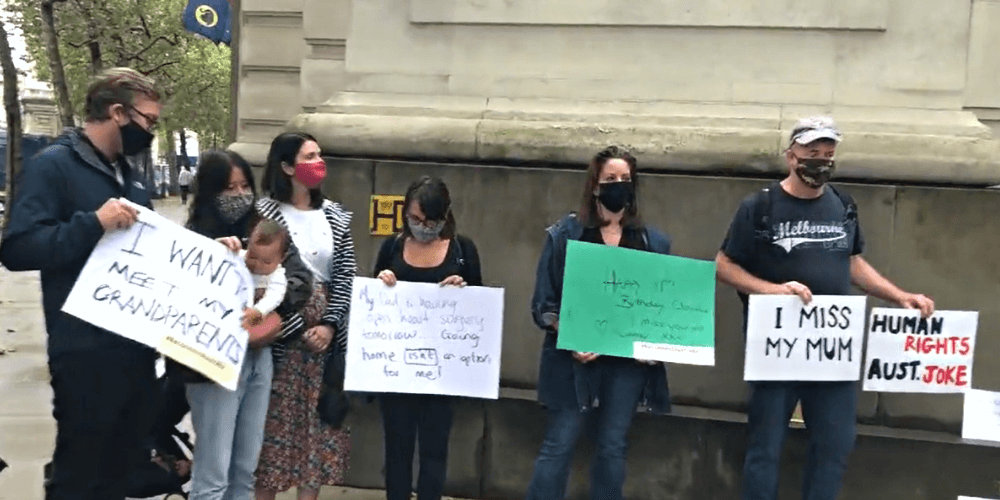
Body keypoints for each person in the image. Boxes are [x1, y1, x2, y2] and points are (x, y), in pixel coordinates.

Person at [715, 116, 936, 500]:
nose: (821, 161)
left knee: (834, 446)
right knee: (765, 447)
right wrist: (771, 291)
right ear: (791, 156)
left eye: (828, 154)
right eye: (812, 153)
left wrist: (899, 296)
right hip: (777, 352)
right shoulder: (759, 206)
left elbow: (852, 262)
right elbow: (723, 265)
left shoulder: (842, 205)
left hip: (832, 353)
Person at [0, 68, 162, 500]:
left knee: (120, 475)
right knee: (79, 476)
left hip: (134, 352)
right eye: (149, 121)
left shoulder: (131, 175)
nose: (151, 131)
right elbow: (18, 248)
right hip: (84, 354)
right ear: (117, 112)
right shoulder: (53, 167)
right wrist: (92, 223)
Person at [525, 145, 672, 500]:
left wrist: (654, 344)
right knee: (559, 443)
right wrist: (572, 336)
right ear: (595, 185)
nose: (618, 185)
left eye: (625, 179)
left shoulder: (652, 242)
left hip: (627, 365)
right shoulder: (565, 235)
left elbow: (662, 308)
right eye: (610, 179)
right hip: (574, 362)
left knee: (613, 446)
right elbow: (543, 304)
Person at [178, 149, 312, 500]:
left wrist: (270, 302)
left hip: (259, 357)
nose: (239, 196)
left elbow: (299, 279)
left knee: (246, 471)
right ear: (209, 194)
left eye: (244, 187)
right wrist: (214, 259)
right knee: (213, 475)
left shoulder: (265, 228)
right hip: (215, 362)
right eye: (228, 189)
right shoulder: (193, 239)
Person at [255, 132, 357, 500]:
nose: (318, 162)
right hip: (280, 344)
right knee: (272, 436)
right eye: (308, 156)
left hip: (324, 351)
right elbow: (261, 277)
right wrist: (297, 329)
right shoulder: (265, 215)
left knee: (316, 435)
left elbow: (346, 274)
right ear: (286, 166)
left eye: (319, 154)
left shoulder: (335, 215)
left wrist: (329, 325)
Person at [373, 176, 483, 500]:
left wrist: (463, 289)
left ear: (445, 216)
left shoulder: (463, 250)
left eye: (430, 221)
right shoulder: (392, 247)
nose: (421, 227)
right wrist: (381, 281)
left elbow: (479, 308)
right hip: (397, 372)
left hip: (441, 374)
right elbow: (371, 301)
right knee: (397, 451)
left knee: (435, 453)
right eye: (415, 219)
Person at [241, 219, 290, 330]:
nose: (257, 265)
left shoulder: (277, 277)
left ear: (281, 259)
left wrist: (258, 311)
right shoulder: (239, 258)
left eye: (266, 262)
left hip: (253, 318)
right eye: (252, 257)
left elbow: (274, 297)